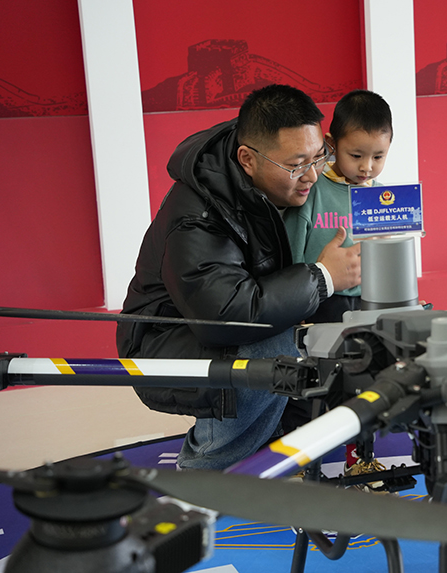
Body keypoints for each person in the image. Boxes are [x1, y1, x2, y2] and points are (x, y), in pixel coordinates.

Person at [116, 84, 361, 471]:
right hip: (169, 343)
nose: (312, 176)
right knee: (279, 347)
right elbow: (225, 315)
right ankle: (204, 470)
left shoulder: (268, 177)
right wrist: (323, 276)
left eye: (319, 157)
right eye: (297, 165)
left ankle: (274, 440)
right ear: (247, 159)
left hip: (220, 328)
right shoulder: (197, 214)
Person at [283, 89, 393, 323]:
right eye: (356, 155)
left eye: (378, 157)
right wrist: (295, 302)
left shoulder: (383, 197)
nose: (366, 167)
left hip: (371, 300)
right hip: (321, 298)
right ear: (332, 144)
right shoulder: (311, 188)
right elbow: (293, 249)